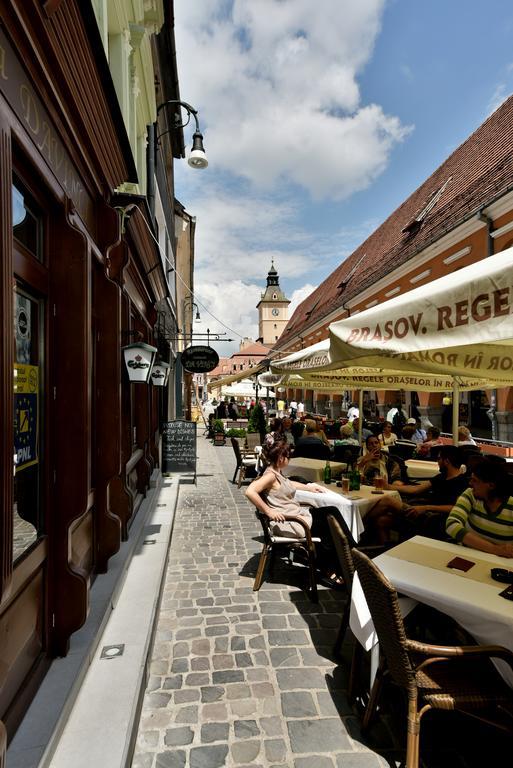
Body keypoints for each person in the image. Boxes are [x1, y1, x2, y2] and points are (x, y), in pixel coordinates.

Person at [245, 437, 345, 587]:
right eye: (288, 456)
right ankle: (336, 564)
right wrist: (269, 511)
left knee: (330, 514)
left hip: (296, 516)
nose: (289, 459)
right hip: (290, 522)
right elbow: (250, 491)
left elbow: (288, 483)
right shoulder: (270, 475)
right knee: (329, 524)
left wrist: (309, 487)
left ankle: (337, 561)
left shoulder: (276, 472)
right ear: (280, 458)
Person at [395, 445, 469, 539]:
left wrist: (426, 507)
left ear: (446, 461)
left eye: (439, 459)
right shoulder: (441, 477)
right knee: (383, 520)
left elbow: (456, 507)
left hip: (435, 517)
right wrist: (389, 487)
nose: (437, 462)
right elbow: (415, 489)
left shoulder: (462, 482)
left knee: (388, 501)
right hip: (425, 510)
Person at [446, 458, 513, 557]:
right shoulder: (470, 494)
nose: (470, 483)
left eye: (475, 480)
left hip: (501, 563)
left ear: (491, 485)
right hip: (466, 555)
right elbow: (451, 525)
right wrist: (494, 549)